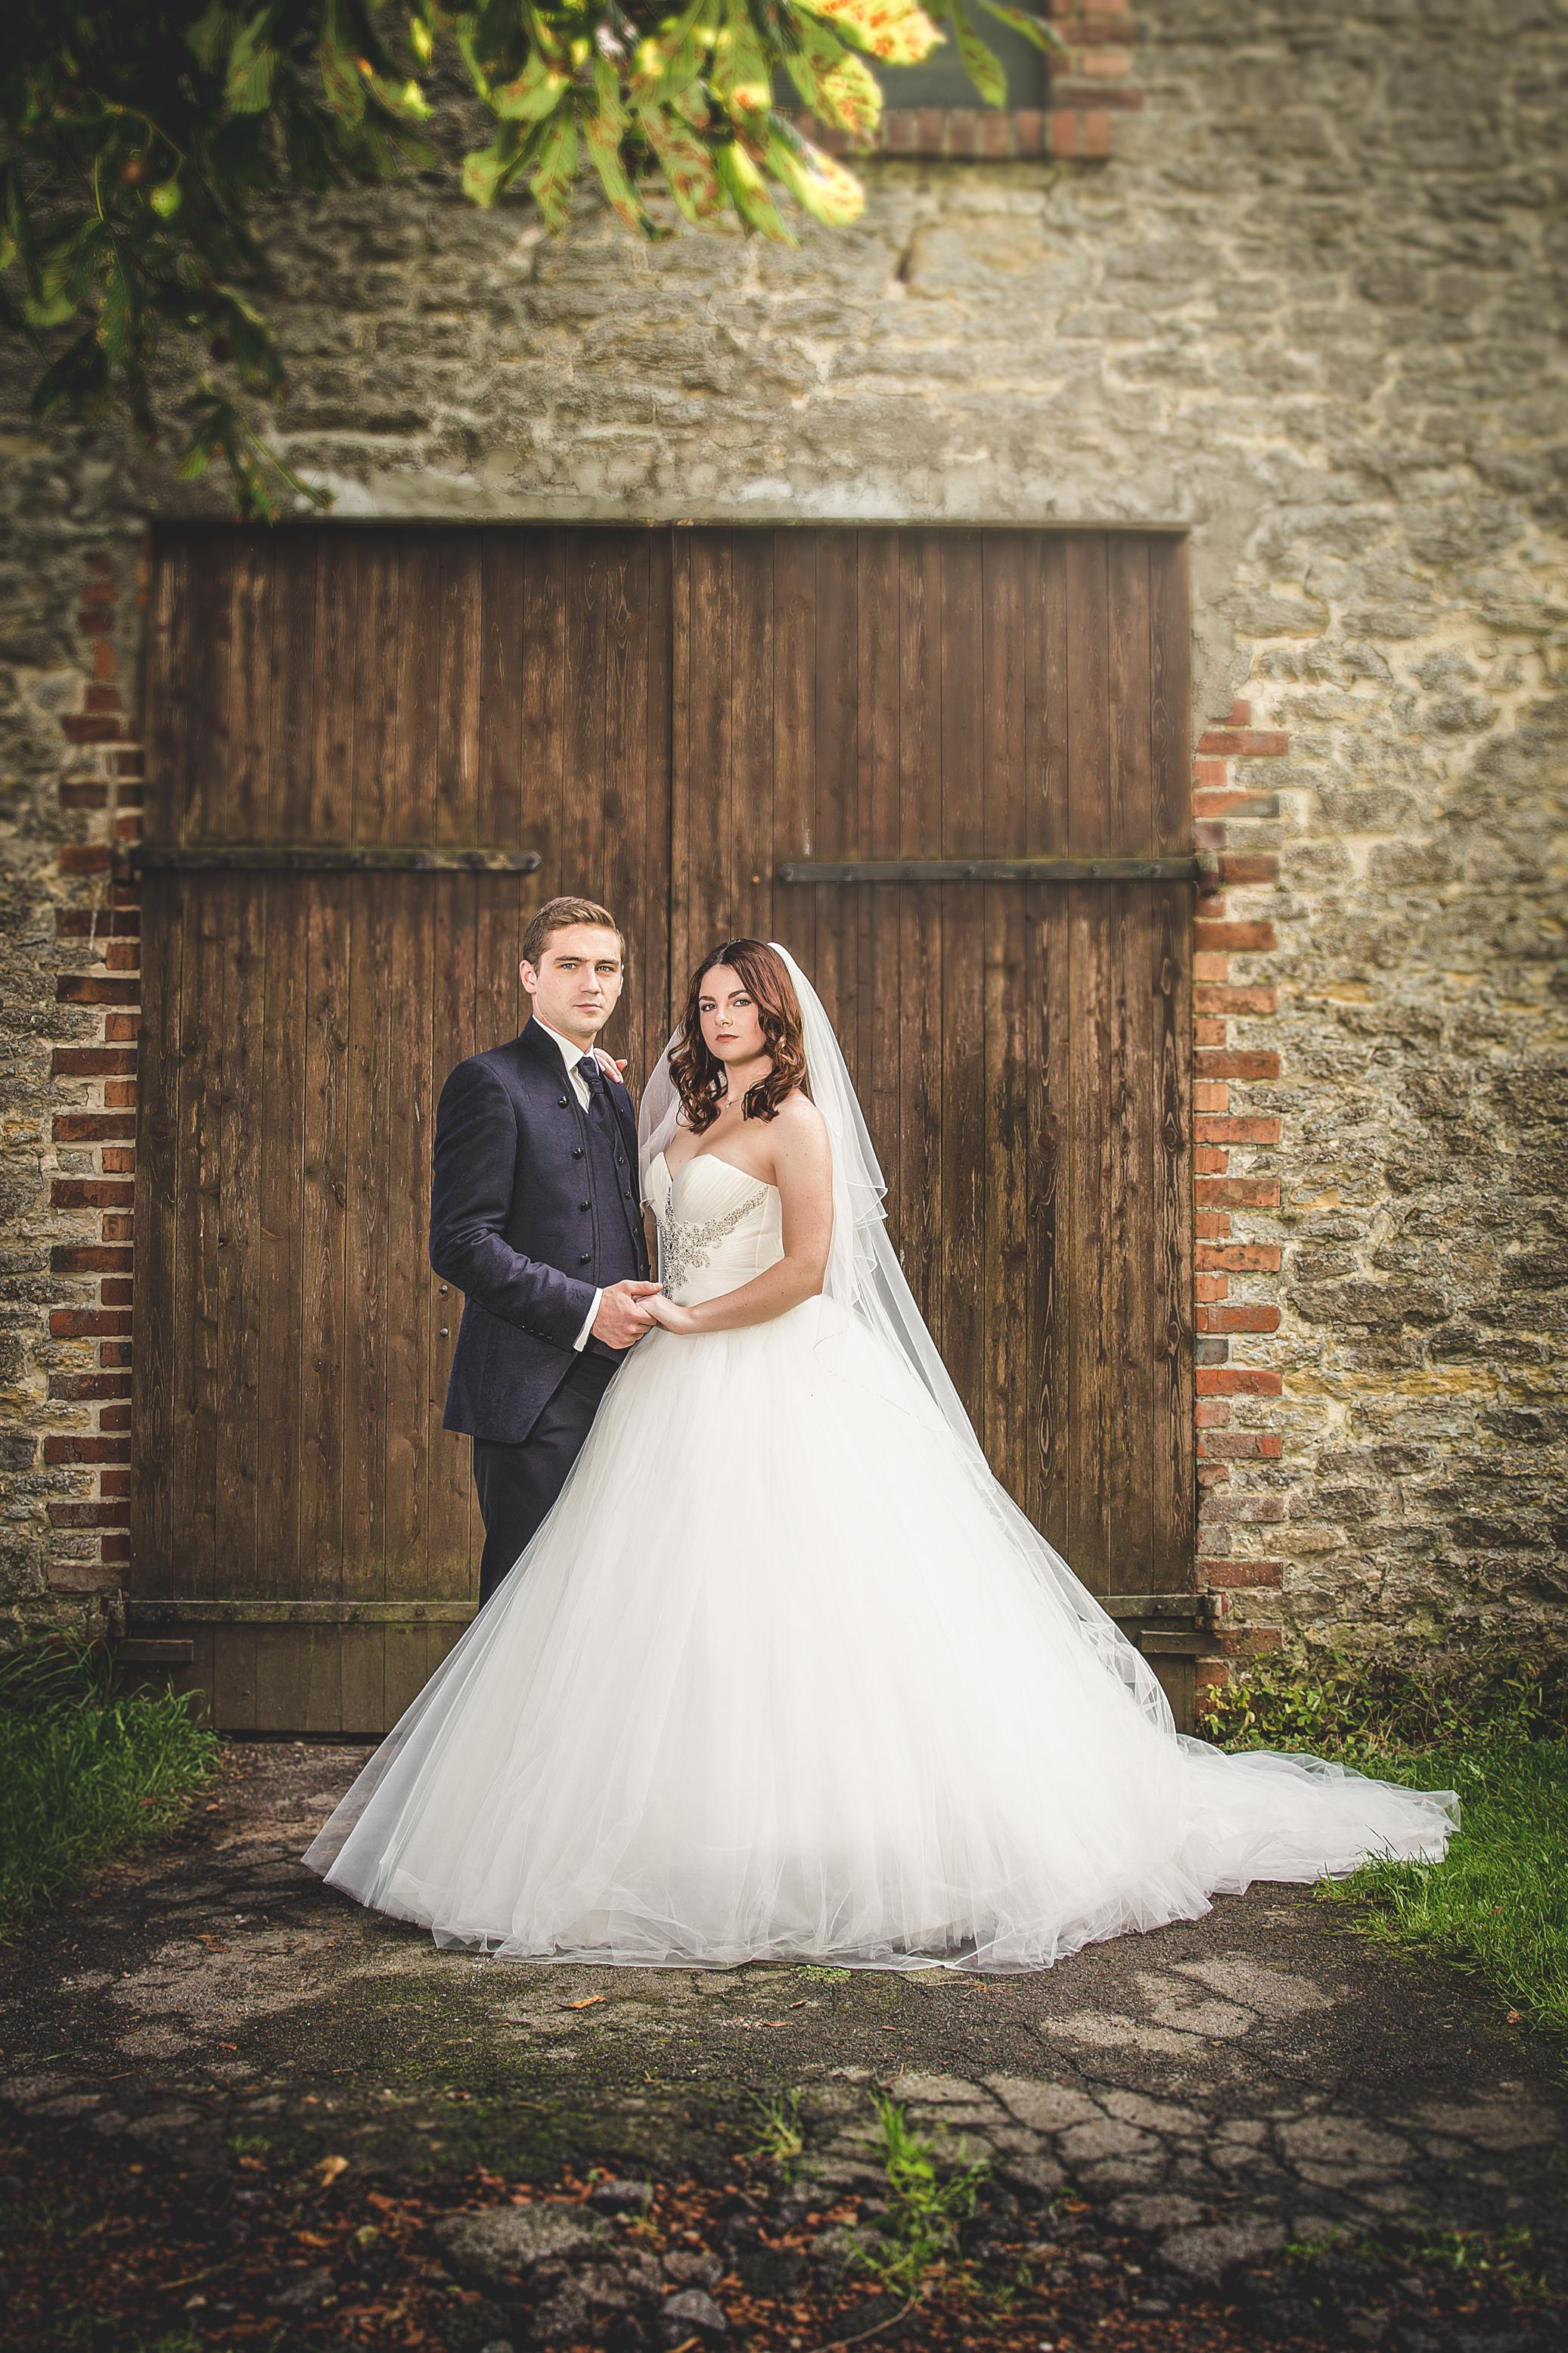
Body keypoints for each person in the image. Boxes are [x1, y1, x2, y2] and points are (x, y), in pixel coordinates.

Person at [305, 940, 1457, 1972]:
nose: (715, 1017)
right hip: (660, 1384)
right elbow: (576, 1206)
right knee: (663, 1609)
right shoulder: (658, 1103)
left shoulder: (797, 1121)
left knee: (811, 1603)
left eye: (738, 1001)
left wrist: (698, 1321)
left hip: (765, 1368)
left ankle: (825, 1833)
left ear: (777, 1013)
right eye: (703, 1001)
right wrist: (655, 1291)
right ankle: (635, 1817)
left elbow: (809, 1269)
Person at [427, 896, 661, 1612]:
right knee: (525, 1610)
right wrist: (591, 1310)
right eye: (570, 965)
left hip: (629, 1389)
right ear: (530, 976)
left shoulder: (613, 1090)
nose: (592, 984)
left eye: (607, 968)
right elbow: (461, 1243)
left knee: (610, 1603)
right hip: (531, 1394)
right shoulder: (487, 1081)